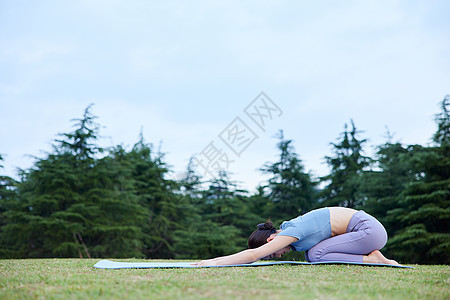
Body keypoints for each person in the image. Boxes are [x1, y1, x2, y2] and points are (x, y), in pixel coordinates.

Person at [193, 207, 399, 266]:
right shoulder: (293, 230)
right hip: (366, 231)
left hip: (369, 232)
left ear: (270, 240)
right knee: (313, 254)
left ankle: (373, 258)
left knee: (315, 255)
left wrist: (211, 262)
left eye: (273, 254)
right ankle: (371, 256)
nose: (279, 255)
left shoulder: (292, 232)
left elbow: (254, 255)